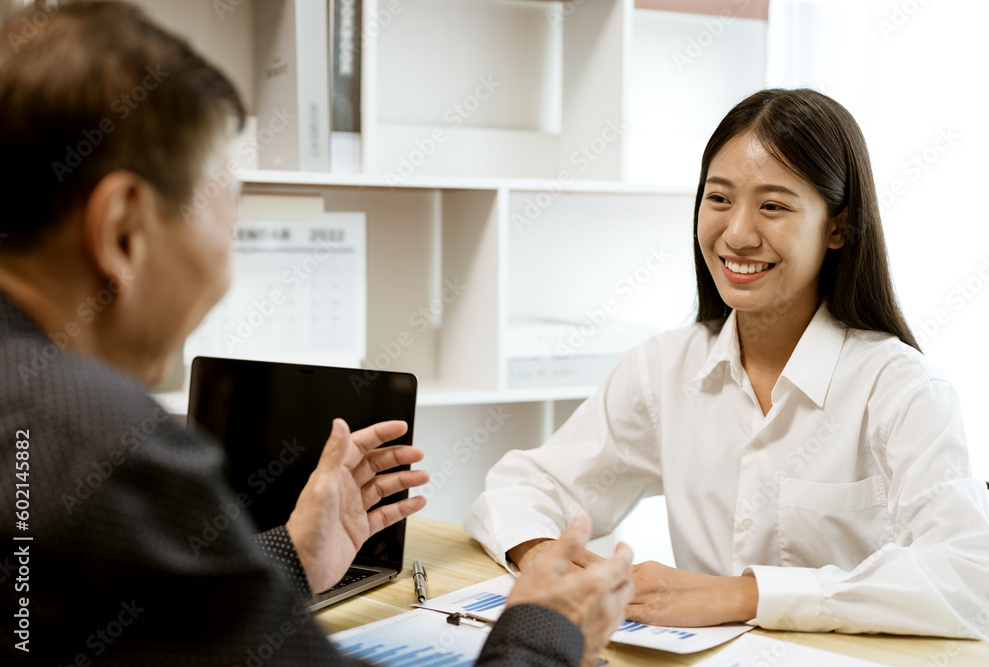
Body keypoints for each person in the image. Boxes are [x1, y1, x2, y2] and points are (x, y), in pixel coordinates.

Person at [0, 2, 634, 666]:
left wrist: (292, 554)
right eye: (228, 215)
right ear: (124, 229)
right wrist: (545, 627)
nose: (226, 272)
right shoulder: (104, 447)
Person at [466, 87, 989, 642]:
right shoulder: (665, 368)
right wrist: (548, 560)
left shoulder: (901, 389)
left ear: (839, 227)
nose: (738, 234)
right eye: (719, 199)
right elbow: (522, 486)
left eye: (773, 206)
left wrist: (738, 595)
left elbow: (971, 578)